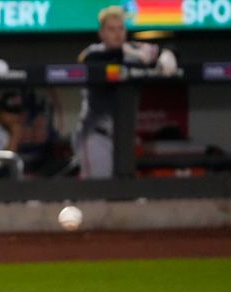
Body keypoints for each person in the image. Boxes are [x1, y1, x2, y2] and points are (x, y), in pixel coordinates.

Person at [73, 5, 178, 179]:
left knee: (123, 191)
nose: (117, 33)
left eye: (121, 28)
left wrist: (168, 55)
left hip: (123, 137)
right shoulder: (93, 52)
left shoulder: (134, 49)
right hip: (94, 134)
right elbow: (91, 60)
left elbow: (171, 49)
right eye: (111, 29)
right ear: (101, 33)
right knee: (99, 190)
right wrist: (126, 52)